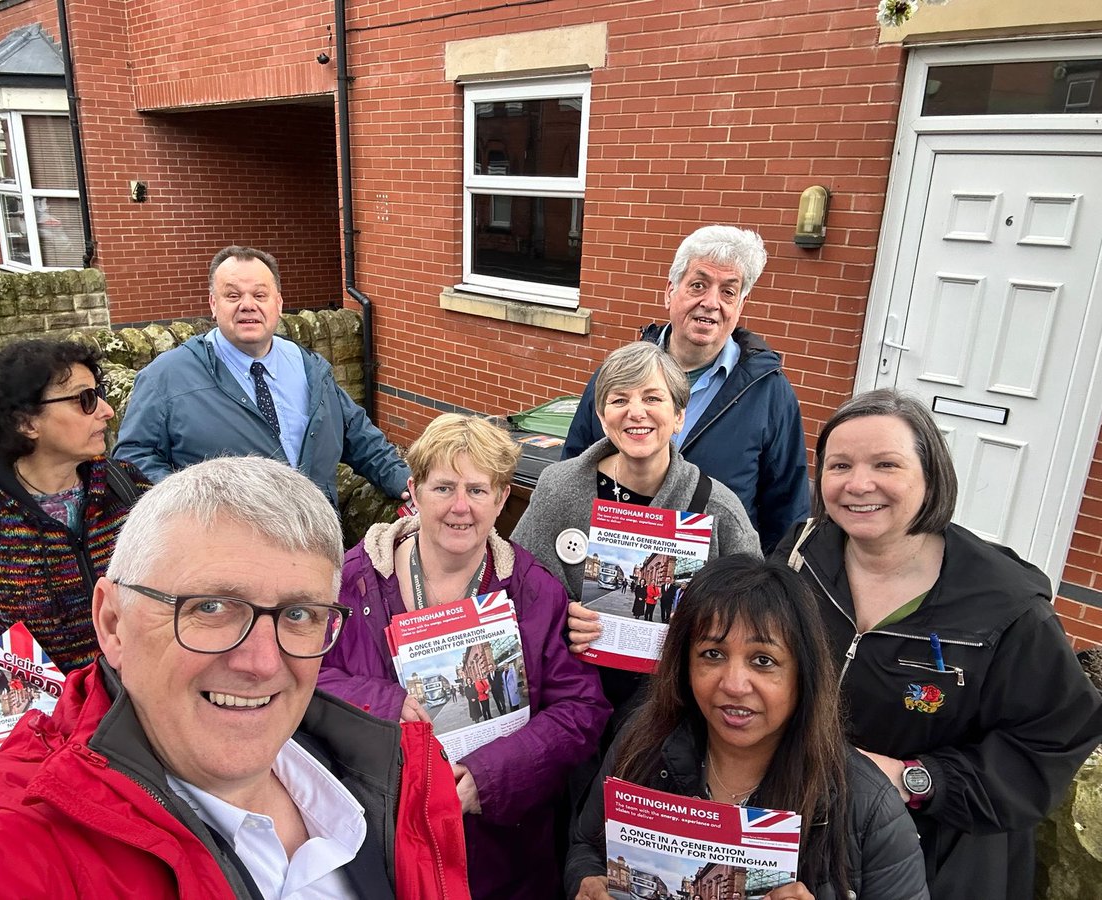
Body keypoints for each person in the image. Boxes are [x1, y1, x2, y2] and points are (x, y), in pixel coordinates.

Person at [0, 456, 470, 898]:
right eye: (210, 607)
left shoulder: (406, 777)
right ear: (112, 623)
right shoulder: (0, 847)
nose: (260, 662)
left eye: (300, 614)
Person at [774, 389, 1102, 900]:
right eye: (839, 465)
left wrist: (915, 780)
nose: (859, 484)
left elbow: (1052, 740)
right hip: (802, 830)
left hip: (936, 855)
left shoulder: (1004, 607)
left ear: (931, 476)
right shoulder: (801, 553)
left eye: (886, 464)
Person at [318, 413, 610, 899]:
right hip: (379, 842)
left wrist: (489, 779)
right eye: (443, 488)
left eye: (477, 490)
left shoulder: (534, 591)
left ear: (500, 499)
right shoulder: (351, 581)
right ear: (413, 491)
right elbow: (302, 676)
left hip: (502, 856)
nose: (460, 507)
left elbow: (581, 711)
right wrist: (384, 704)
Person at [565, 555, 930, 900]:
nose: (735, 684)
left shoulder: (869, 808)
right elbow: (587, 845)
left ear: (803, 674)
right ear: (684, 664)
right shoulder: (641, 743)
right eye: (713, 654)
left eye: (763, 660)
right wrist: (586, 883)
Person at [513, 341, 760, 722]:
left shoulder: (719, 510)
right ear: (601, 414)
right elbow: (519, 582)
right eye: (619, 400)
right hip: (571, 700)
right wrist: (561, 617)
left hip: (670, 711)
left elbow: (755, 612)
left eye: (652, 398)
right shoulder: (559, 487)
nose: (636, 412)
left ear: (679, 415)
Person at [0, 339, 150, 714]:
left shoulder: (126, 489)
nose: (106, 411)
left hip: (148, 722)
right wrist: (14, 705)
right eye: (84, 399)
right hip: (47, 745)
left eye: (100, 394)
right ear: (26, 422)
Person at [562, 226, 808, 554]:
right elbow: (573, 472)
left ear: (741, 305)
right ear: (670, 292)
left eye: (728, 292)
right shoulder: (617, 376)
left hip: (717, 593)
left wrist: (763, 599)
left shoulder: (769, 394)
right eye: (698, 285)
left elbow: (788, 513)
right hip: (609, 571)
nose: (711, 303)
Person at [114, 245, 409, 509]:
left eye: (259, 295)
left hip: (315, 543)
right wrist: (187, 507)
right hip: (228, 553)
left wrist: (406, 483)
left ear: (278, 304)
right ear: (214, 305)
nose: (247, 305)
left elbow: (357, 435)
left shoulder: (310, 367)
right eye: (232, 295)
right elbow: (133, 458)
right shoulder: (165, 377)